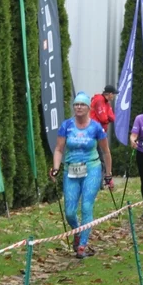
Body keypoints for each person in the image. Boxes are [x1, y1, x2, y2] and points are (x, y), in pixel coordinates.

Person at [51, 92, 114, 258]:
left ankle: (82, 246)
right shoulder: (66, 126)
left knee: (86, 206)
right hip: (71, 169)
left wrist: (108, 174)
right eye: (76, 104)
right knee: (70, 212)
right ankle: (77, 231)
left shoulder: (95, 128)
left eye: (82, 104)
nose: (78, 107)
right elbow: (58, 149)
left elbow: (106, 152)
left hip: (92, 168)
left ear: (88, 108)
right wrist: (56, 167)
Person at [91, 85, 117, 185]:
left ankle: (101, 181)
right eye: (113, 94)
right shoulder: (99, 100)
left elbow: (112, 117)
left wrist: (107, 118)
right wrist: (107, 119)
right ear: (109, 94)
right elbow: (103, 118)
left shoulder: (106, 103)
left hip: (100, 133)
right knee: (99, 156)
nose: (114, 96)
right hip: (94, 133)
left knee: (102, 155)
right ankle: (99, 181)